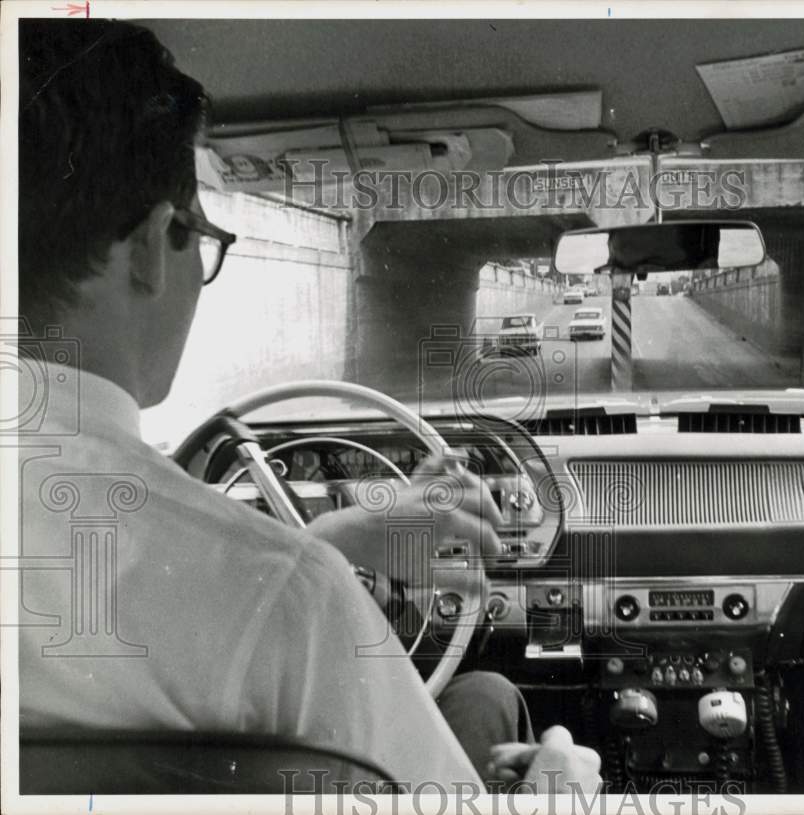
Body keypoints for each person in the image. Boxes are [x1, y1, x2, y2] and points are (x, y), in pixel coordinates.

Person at [16, 19, 600, 794]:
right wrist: (562, 786)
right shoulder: (293, 596)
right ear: (157, 246)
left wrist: (328, 538)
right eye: (206, 237)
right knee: (499, 704)